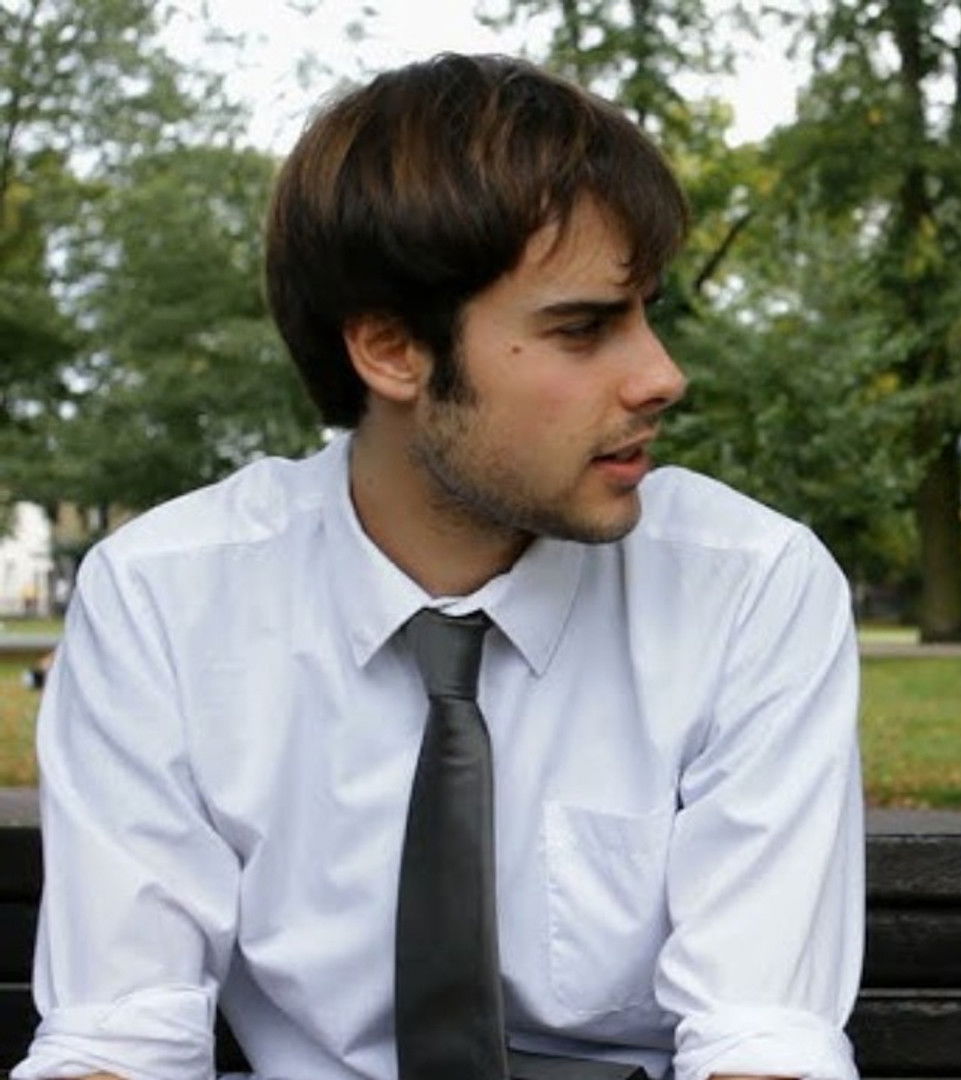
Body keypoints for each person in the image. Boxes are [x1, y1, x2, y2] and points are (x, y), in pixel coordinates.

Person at [16, 54, 863, 1080]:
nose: (661, 375)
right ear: (391, 350)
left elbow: (760, 1036)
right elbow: (120, 1036)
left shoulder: (749, 588)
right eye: (583, 328)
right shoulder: (164, 601)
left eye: (648, 311)